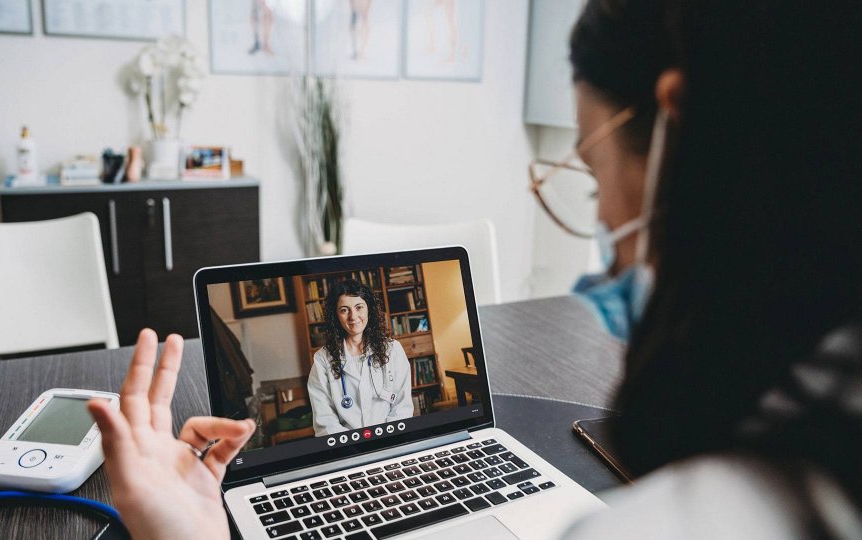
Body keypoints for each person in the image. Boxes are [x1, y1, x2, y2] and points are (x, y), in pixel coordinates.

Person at [87, 1, 862, 538]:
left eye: (592, 178)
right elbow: (338, 415)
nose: (599, 221)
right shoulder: (325, 360)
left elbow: (388, 403)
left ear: (682, 137)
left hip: (408, 460)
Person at [307, 279, 413, 436]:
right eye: (344, 310)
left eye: (359, 307)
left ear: (369, 309)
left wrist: (388, 440)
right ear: (336, 315)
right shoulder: (322, 360)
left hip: (390, 439)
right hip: (347, 447)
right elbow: (325, 420)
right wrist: (353, 445)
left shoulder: (393, 350)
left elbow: (402, 407)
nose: (353, 316)